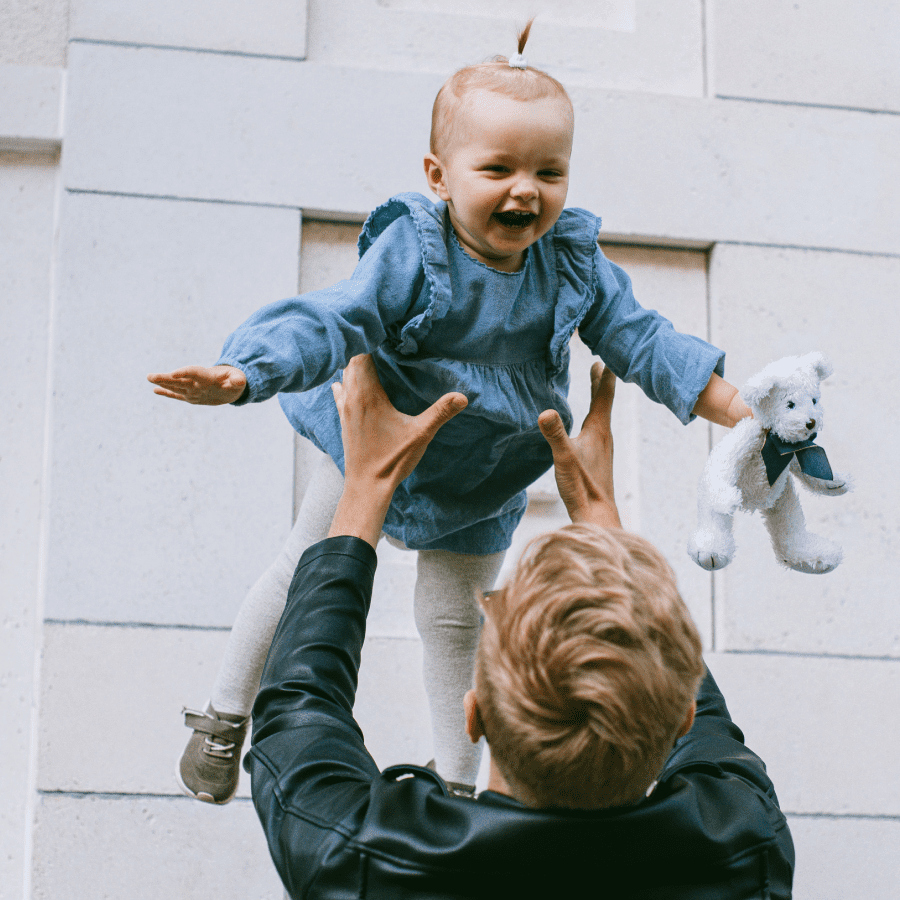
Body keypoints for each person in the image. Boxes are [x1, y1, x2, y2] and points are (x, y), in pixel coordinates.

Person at [148, 22, 752, 802]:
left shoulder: (570, 261)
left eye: (549, 171)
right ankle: (225, 715)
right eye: (497, 168)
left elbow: (644, 341)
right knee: (307, 563)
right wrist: (245, 372)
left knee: (455, 617)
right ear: (439, 174)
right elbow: (334, 318)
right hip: (381, 445)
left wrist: (737, 407)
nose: (525, 190)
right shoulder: (415, 250)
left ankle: (457, 786)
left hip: (487, 468)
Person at [245, 354, 794, 899]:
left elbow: (298, 709)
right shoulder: (743, 850)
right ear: (683, 717)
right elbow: (299, 710)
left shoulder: (361, 858)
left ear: (474, 712)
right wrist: (603, 523)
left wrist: (365, 482)